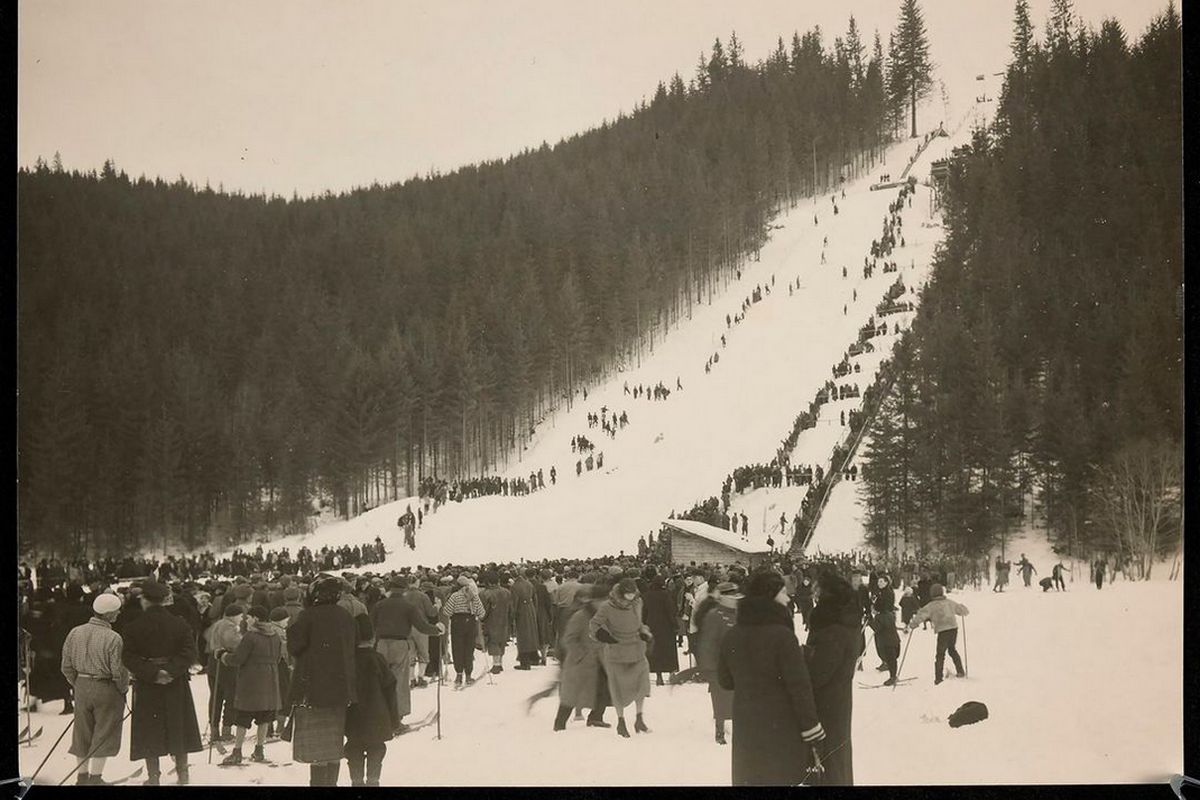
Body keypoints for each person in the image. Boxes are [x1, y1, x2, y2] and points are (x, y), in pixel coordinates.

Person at [717, 570, 825, 785]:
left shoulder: (732, 634)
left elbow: (725, 681)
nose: (787, 597)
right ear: (770, 596)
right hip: (779, 729)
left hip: (747, 730)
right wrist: (813, 730)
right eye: (783, 592)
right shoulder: (783, 636)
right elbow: (799, 688)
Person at [121, 580, 203, 786]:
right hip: (176, 683)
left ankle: (153, 777)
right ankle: (183, 775)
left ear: (145, 601)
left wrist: (153, 673)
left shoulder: (133, 627)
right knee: (179, 726)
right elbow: (189, 652)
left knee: (150, 729)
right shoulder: (180, 623)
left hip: (148, 684)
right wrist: (171, 670)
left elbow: (128, 656)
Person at [288, 576, 358, 786]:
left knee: (316, 750)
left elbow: (295, 647)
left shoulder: (307, 616)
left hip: (313, 689)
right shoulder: (346, 616)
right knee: (333, 745)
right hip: (341, 689)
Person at [59, 593, 131, 785]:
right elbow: (118, 670)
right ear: (108, 614)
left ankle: (81, 777)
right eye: (116, 611)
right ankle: (96, 778)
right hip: (106, 687)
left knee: (82, 732)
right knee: (104, 731)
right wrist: (123, 688)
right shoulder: (114, 638)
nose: (118, 614)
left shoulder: (75, 632)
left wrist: (78, 683)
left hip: (81, 686)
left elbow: (66, 666)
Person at [805, 572, 861, 785]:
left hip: (826, 701)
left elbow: (820, 671)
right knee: (836, 755)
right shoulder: (845, 619)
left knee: (828, 756)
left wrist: (801, 659)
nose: (814, 593)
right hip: (838, 698)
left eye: (818, 590)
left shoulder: (834, 628)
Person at [371, 578, 442, 732]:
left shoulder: (379, 605)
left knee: (381, 682)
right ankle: (397, 721)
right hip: (399, 644)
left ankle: (381, 718)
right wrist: (437, 630)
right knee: (399, 683)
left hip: (381, 645)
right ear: (404, 589)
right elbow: (422, 627)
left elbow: (371, 625)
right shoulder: (407, 606)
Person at [219, 605, 283, 765]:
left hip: (251, 681)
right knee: (264, 716)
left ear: (256, 618)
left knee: (243, 717)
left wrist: (223, 656)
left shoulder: (250, 637)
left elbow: (238, 659)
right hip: (270, 680)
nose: (246, 620)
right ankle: (259, 751)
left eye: (249, 617)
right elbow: (278, 659)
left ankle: (237, 752)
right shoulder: (275, 636)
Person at [589, 577, 652, 738]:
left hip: (636, 649)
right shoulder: (607, 607)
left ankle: (639, 718)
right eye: (629, 594)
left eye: (634, 593)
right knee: (618, 688)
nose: (632, 596)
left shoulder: (638, 603)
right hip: (617, 650)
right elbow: (594, 625)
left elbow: (639, 624)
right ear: (622, 593)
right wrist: (602, 635)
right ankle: (621, 721)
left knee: (642, 685)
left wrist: (644, 633)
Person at [344, 615, 400, 787]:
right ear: (372, 637)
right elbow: (390, 689)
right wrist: (394, 719)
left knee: (354, 747)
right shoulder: (378, 660)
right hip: (377, 714)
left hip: (352, 714)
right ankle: (374, 780)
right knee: (376, 747)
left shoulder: (347, 661)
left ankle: (356, 780)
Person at [554, 583, 609, 731]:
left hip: (600, 659)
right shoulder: (580, 616)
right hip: (580, 662)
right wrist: (581, 654)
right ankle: (559, 724)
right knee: (571, 694)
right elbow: (569, 639)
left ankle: (596, 717)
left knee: (604, 689)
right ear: (595, 600)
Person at [697, 582, 740, 745]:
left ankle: (739, 730)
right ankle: (719, 730)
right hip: (718, 666)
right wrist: (709, 668)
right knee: (720, 699)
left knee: (738, 699)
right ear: (722, 598)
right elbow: (707, 644)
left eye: (736, 596)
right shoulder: (714, 615)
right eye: (731, 597)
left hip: (738, 665)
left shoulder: (741, 614)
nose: (734, 600)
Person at [905, 584, 968, 685]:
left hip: (943, 631)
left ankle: (938, 678)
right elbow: (963, 611)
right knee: (952, 650)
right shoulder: (949, 602)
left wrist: (913, 624)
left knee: (940, 654)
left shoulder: (931, 606)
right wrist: (963, 608)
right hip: (953, 629)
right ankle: (960, 671)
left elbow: (921, 615)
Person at [440, 576, 486, 686]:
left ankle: (459, 675)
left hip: (457, 623)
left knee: (458, 649)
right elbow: (482, 613)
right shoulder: (474, 596)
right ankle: (469, 675)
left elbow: (446, 612)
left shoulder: (454, 596)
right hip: (470, 623)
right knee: (469, 649)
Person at [640, 572, 679, 686]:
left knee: (655, 651)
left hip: (651, 626)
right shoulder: (666, 595)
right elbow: (671, 611)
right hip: (666, 627)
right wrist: (675, 625)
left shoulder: (646, 595)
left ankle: (658, 676)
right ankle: (672, 673)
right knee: (669, 650)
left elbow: (644, 613)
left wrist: (644, 625)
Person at [479, 571, 513, 674]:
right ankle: (500, 663)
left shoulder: (485, 593)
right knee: (502, 641)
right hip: (504, 619)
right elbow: (511, 608)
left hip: (492, 620)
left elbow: (483, 610)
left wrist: (481, 619)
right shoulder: (507, 592)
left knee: (493, 641)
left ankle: (496, 665)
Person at [511, 569, 541, 670]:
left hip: (521, 610)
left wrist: (513, 615)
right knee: (532, 634)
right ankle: (535, 657)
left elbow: (514, 602)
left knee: (523, 636)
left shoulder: (515, 586)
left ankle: (525, 662)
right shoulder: (529, 584)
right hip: (531, 608)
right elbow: (535, 597)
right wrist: (534, 610)